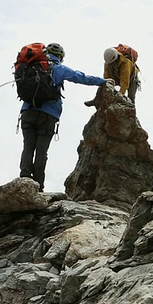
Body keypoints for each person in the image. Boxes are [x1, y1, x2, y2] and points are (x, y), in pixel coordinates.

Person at [19, 42, 114, 192]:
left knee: (28, 147)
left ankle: (24, 178)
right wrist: (102, 81)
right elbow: (80, 77)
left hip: (27, 111)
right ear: (60, 57)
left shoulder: (31, 66)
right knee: (42, 150)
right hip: (48, 115)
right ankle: (37, 185)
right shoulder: (58, 68)